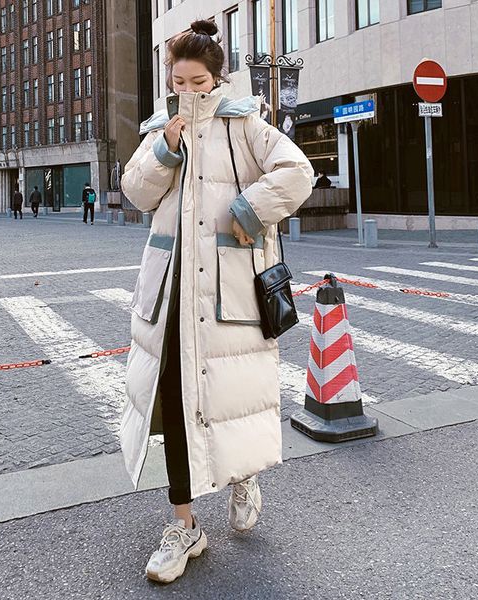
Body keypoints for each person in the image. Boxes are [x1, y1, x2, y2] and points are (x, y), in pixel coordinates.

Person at [120, 19, 313, 584]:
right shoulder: (160, 128)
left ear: (217, 77)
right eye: (178, 80)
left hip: (230, 292)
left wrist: (248, 210)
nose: (188, 91)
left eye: (198, 81)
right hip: (171, 291)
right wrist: (166, 149)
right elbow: (135, 191)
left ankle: (242, 472)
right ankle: (184, 525)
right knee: (175, 405)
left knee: (231, 399)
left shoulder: (246, 123)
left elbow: (296, 171)